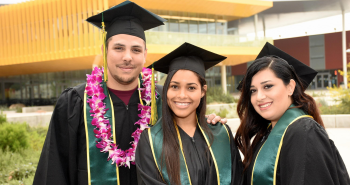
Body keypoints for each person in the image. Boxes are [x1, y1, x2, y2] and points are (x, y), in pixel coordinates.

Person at [33, 2, 225, 185]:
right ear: (104, 50)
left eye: (135, 50)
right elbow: (54, 169)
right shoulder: (75, 102)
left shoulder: (163, 99)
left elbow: (190, 134)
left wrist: (209, 122)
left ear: (145, 55)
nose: (127, 57)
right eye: (118, 48)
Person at [235, 42, 350, 185]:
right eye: (253, 90)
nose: (259, 97)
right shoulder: (267, 134)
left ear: (290, 87)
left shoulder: (304, 132)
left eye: (268, 86)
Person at [135, 42, 243, 185]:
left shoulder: (221, 133)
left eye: (191, 88)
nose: (182, 95)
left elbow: (238, 179)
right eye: (174, 86)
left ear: (203, 91)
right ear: (166, 89)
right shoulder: (151, 140)